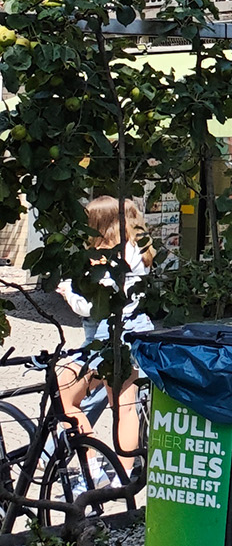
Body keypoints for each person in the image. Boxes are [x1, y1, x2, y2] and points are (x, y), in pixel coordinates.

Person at [57, 196, 154, 466]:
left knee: (63, 395)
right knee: (124, 407)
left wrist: (68, 293)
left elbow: (92, 307)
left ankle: (89, 463)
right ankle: (121, 476)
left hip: (106, 337)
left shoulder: (107, 260)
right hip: (135, 329)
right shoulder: (136, 251)